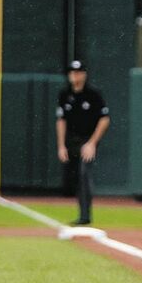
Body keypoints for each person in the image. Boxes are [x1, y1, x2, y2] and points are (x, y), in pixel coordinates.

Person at [56, 61, 110, 226]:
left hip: (87, 139)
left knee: (84, 173)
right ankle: (82, 214)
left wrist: (92, 143)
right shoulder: (65, 94)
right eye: (72, 72)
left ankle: (85, 216)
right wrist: (61, 146)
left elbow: (104, 119)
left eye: (78, 72)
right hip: (71, 140)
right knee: (76, 177)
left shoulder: (93, 94)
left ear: (84, 75)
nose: (75, 75)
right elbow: (61, 120)